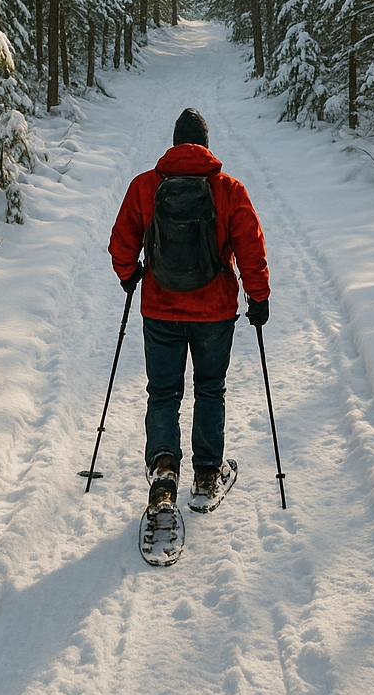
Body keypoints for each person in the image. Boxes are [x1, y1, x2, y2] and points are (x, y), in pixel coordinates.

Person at [108, 107, 270, 510]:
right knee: (210, 388)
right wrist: (259, 297)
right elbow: (251, 249)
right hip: (214, 313)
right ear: (206, 145)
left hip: (160, 309)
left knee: (163, 392)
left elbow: (122, 241)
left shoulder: (146, 186)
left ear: (175, 143)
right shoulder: (229, 189)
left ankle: (164, 471)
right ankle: (206, 475)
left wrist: (129, 274)